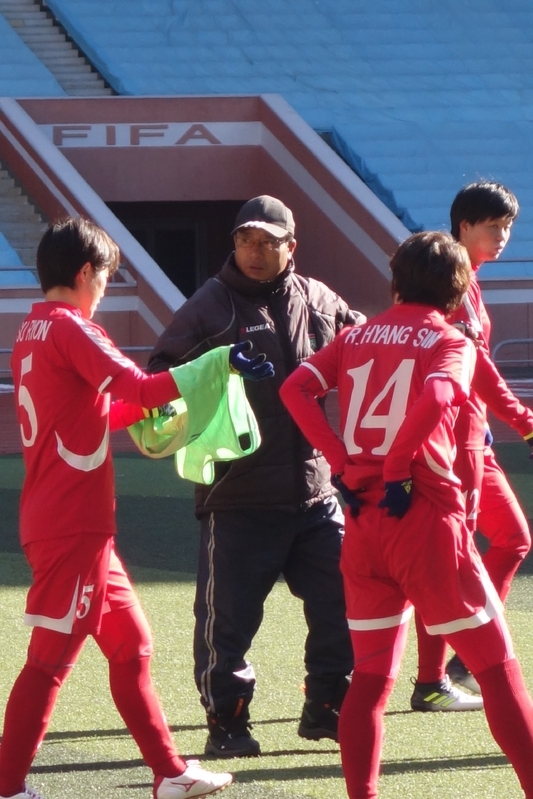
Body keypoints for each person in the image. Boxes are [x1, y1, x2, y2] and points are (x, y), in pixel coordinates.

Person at [1, 216, 273, 799]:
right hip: (71, 527)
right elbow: (142, 390)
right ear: (84, 274)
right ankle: (7, 786)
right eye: (104, 280)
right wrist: (217, 362)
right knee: (49, 661)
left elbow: (93, 413)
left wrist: (158, 410)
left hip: (75, 526)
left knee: (132, 645)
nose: (104, 291)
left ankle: (170, 775)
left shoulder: (34, 329)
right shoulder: (74, 330)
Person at [280, 230, 533, 799]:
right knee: (498, 672)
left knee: (368, 682)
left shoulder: (356, 336)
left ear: (395, 281)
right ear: (458, 287)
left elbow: (296, 388)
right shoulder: (451, 341)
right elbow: (442, 396)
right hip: (424, 520)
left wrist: (343, 463)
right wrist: (397, 466)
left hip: (363, 523)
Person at [147, 195, 363, 757]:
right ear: (234, 244)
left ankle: (326, 707)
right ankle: (228, 723)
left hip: (317, 496)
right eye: (246, 240)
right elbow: (156, 379)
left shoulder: (318, 297)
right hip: (237, 497)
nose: (256, 251)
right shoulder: (209, 306)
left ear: (292, 246)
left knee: (345, 605)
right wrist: (215, 372)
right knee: (226, 626)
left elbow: (364, 344)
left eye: (269, 241)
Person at [411, 181, 533, 710]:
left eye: (508, 226)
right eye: (493, 226)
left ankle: (446, 669)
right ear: (464, 226)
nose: (503, 236)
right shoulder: (451, 280)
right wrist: (525, 421)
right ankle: (433, 678)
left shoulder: (466, 278)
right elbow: (476, 368)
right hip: (449, 443)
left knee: (507, 541)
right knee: (450, 559)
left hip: (466, 438)